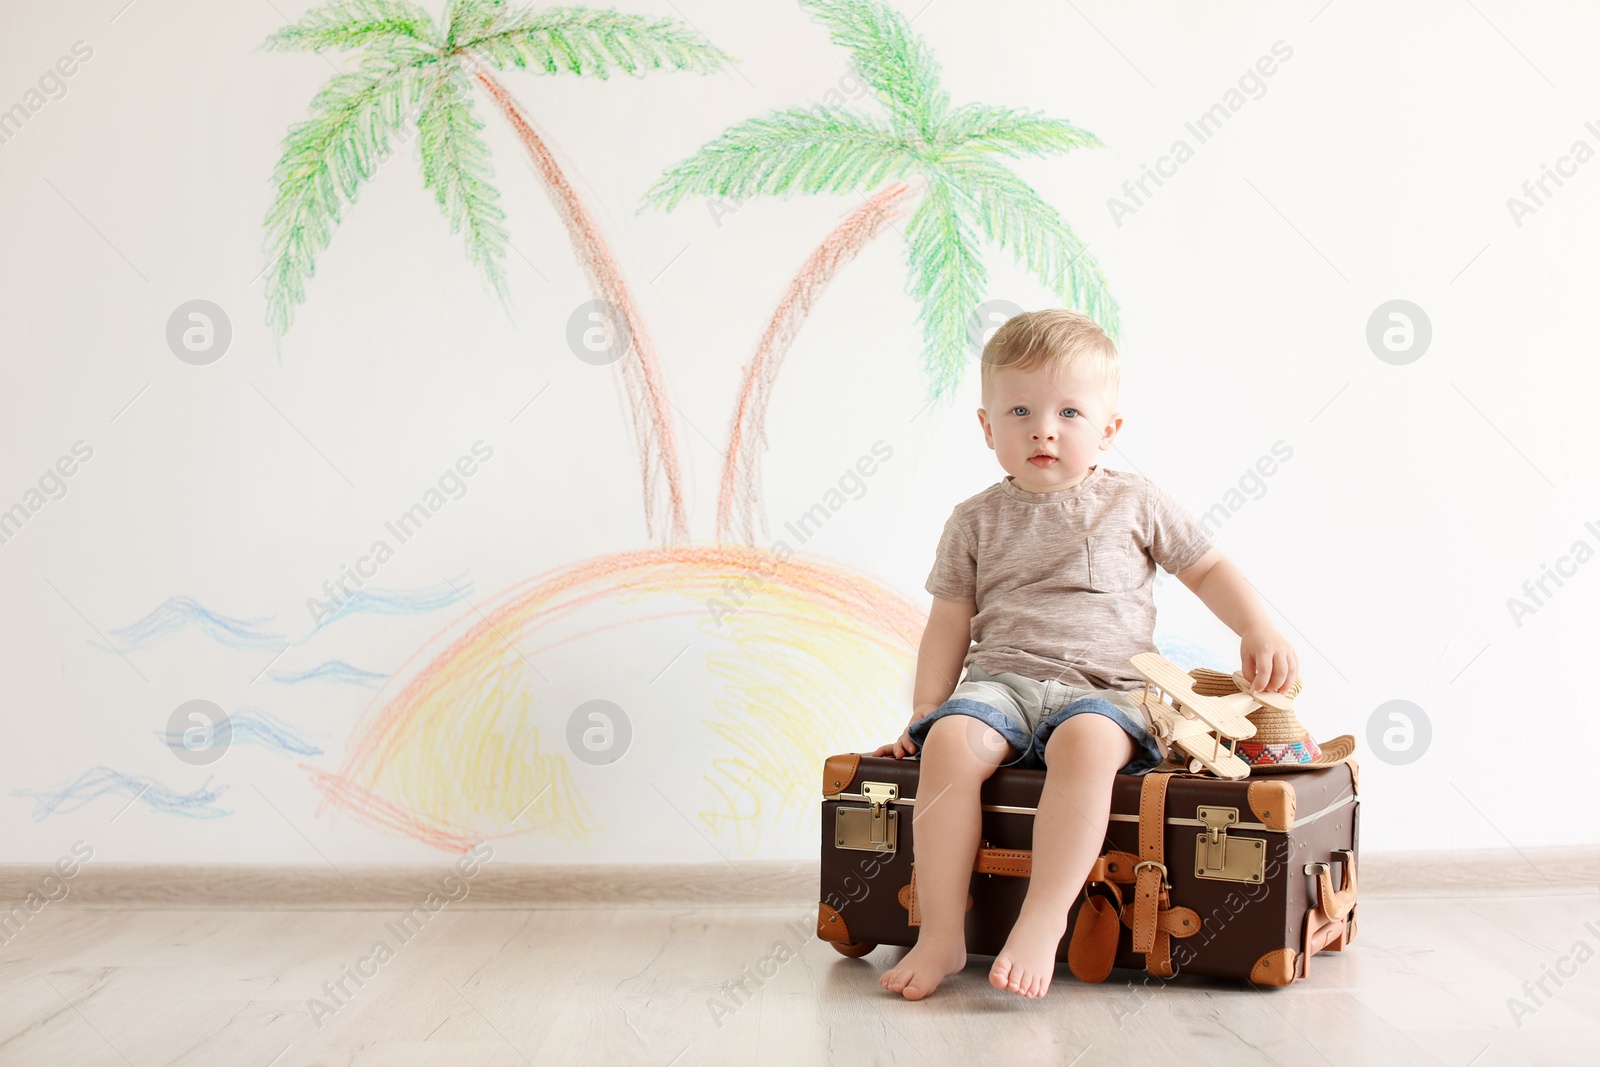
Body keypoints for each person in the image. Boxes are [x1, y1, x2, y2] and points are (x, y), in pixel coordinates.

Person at [871, 308, 1299, 1001]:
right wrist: (927, 706)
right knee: (949, 742)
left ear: (1109, 429)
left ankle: (1043, 920)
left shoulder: (1136, 501)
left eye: (1070, 410)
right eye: (1020, 409)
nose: (1045, 427)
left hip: (1107, 688)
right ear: (987, 428)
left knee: (1089, 746)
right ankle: (942, 930)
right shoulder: (973, 519)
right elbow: (949, 619)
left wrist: (1257, 628)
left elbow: (1208, 568)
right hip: (1001, 682)